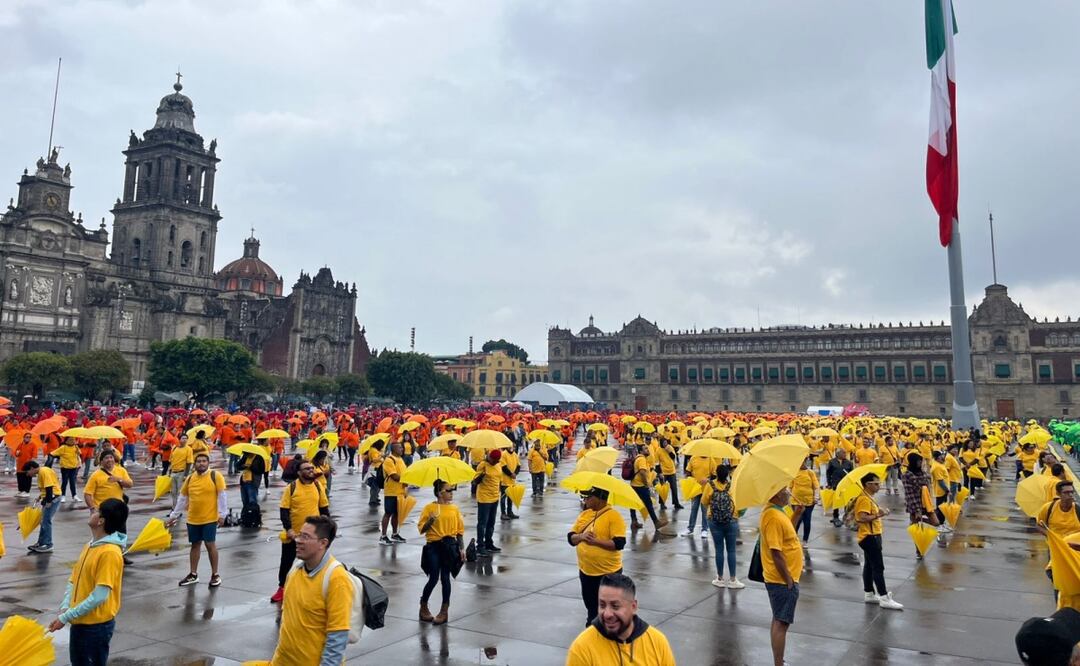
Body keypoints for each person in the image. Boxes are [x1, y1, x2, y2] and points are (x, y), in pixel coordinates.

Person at [48, 498, 128, 666]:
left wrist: (66, 616)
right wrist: (65, 606)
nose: (92, 510)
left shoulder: (110, 553)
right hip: (80, 622)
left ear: (101, 521)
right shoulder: (90, 545)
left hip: (96, 627)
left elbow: (100, 596)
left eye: (97, 510)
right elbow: (74, 580)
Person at [271, 516, 357, 665]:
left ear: (323, 543)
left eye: (305, 537)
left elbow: (338, 635)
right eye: (299, 535)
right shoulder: (295, 569)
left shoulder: (337, 579)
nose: (298, 540)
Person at [565, 573, 675, 666]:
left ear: (633, 606)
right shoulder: (582, 648)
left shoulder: (657, 642)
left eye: (615, 606)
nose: (607, 614)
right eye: (602, 605)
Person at [272, 460, 330, 604]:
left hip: (314, 536)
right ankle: (282, 589)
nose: (311, 470)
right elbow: (284, 511)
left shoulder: (318, 486)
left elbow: (324, 509)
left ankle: (314, 590)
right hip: (294, 535)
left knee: (315, 563)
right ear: (299, 473)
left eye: (312, 467)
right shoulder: (291, 488)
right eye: (307, 468)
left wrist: (327, 529)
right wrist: (289, 529)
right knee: (286, 562)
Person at [166, 452, 227, 587]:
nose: (201, 463)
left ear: (208, 463)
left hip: (210, 518)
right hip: (193, 518)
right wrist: (174, 515)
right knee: (195, 545)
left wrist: (222, 514)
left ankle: (215, 575)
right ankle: (193, 574)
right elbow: (182, 498)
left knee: (210, 545)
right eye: (198, 461)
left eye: (204, 461)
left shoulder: (215, 476)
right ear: (195, 464)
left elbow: (222, 495)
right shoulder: (190, 478)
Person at [568, 487, 627, 625]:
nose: (585, 500)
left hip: (608, 573)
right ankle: (593, 631)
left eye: (589, 497)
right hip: (586, 571)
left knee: (608, 610)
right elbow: (571, 538)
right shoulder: (585, 514)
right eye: (585, 497)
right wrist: (581, 536)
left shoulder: (614, 516)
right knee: (591, 607)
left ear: (599, 498)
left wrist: (595, 542)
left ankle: (607, 636)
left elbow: (619, 543)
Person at [760, 486, 802, 666]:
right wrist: (788, 580)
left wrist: (797, 514)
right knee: (781, 623)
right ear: (777, 493)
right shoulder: (773, 517)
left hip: (785, 578)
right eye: (785, 489)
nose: (789, 492)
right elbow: (776, 552)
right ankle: (778, 663)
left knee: (778, 619)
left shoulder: (779, 511)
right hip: (782, 580)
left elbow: (787, 533)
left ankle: (779, 661)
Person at [418, 479, 465, 625]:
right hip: (433, 545)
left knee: (445, 578)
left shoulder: (454, 509)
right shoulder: (429, 508)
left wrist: (461, 548)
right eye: (448, 490)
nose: (451, 493)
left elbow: (459, 531)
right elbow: (421, 529)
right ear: (439, 493)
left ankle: (444, 611)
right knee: (433, 578)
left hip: (449, 546)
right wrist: (430, 521)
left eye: (452, 490)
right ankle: (423, 606)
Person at [853, 472, 903, 609]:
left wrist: (878, 513)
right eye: (876, 484)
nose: (878, 486)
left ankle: (869, 593)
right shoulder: (864, 499)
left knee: (869, 565)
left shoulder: (868, 497)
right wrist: (878, 515)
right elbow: (861, 518)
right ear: (867, 484)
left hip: (872, 535)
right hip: (869, 536)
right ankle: (884, 597)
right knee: (878, 567)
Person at [702, 464, 743, 589]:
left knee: (719, 550)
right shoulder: (732, 486)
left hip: (714, 521)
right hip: (731, 521)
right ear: (727, 475)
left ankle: (719, 578)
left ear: (716, 473)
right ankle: (733, 579)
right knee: (731, 550)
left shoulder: (710, 485)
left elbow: (704, 502)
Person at [25, 460, 61, 553]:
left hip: (53, 498)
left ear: (32, 468)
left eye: (27, 472)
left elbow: (49, 487)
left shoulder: (44, 471)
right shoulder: (42, 472)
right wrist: (40, 497)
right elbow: (46, 488)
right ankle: (41, 543)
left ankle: (48, 544)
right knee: (43, 521)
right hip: (50, 497)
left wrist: (48, 501)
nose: (27, 474)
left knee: (46, 521)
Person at [628, 445, 667, 531]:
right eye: (645, 448)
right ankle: (656, 522)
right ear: (641, 451)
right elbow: (642, 472)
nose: (647, 449)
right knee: (649, 504)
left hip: (635, 484)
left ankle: (634, 521)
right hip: (640, 486)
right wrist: (646, 483)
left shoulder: (639, 458)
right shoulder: (641, 459)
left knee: (633, 504)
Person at [473, 449, 504, 556]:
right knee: (482, 523)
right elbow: (475, 482)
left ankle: (489, 543)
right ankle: (480, 546)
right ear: (490, 457)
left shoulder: (498, 465)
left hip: (495, 497)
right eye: (493, 460)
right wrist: (482, 475)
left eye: (497, 460)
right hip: (484, 498)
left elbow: (499, 479)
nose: (495, 462)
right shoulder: (483, 465)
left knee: (491, 522)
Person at [378, 442, 406, 545]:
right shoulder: (389, 460)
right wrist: (406, 479)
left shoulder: (400, 459)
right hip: (391, 492)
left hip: (400, 492)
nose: (402, 449)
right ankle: (383, 536)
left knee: (397, 514)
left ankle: (394, 534)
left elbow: (403, 473)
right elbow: (394, 476)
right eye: (399, 447)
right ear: (393, 449)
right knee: (388, 513)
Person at [789, 456, 819, 547]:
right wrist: (789, 498)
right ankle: (793, 537)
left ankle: (805, 540)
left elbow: (816, 486)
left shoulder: (810, 473)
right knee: (796, 520)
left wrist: (816, 498)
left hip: (809, 502)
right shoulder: (794, 472)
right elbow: (790, 487)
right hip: (796, 501)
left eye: (802, 461)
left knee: (807, 520)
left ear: (806, 461)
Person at [683, 453, 711, 538]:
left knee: (704, 510)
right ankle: (690, 528)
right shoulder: (693, 458)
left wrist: (708, 479)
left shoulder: (710, 460)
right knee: (694, 508)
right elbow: (688, 471)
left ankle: (704, 529)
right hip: (695, 489)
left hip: (706, 489)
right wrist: (690, 479)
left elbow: (714, 475)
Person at [826, 448, 854, 526]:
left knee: (847, 502)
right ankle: (835, 517)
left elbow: (852, 473)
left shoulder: (849, 463)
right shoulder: (832, 462)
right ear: (838, 454)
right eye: (843, 453)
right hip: (836, 484)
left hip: (846, 485)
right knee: (836, 501)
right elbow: (828, 473)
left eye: (845, 453)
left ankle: (847, 517)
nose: (845, 454)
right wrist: (829, 483)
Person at [169, 435, 194, 507]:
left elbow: (189, 463)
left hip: (181, 473)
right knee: (173, 492)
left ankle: (178, 510)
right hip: (173, 472)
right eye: (183, 438)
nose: (185, 440)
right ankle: (174, 508)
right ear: (179, 439)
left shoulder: (189, 449)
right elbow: (171, 460)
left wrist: (186, 475)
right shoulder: (174, 448)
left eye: (186, 438)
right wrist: (170, 472)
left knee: (180, 492)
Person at [56, 436, 82, 503]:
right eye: (70, 440)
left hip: (73, 467)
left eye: (73, 440)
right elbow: (55, 453)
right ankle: (63, 495)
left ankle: (74, 495)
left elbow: (79, 453)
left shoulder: (75, 447)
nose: (72, 441)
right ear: (66, 441)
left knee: (72, 482)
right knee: (64, 482)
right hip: (65, 468)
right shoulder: (63, 447)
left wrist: (77, 449)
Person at [499, 446, 521, 520]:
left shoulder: (515, 454)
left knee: (510, 498)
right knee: (503, 498)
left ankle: (510, 512)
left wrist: (515, 473)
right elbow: (503, 467)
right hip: (504, 481)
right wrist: (511, 474)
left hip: (512, 481)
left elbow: (518, 465)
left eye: (512, 446)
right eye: (509, 446)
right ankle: (503, 513)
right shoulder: (503, 454)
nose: (511, 447)